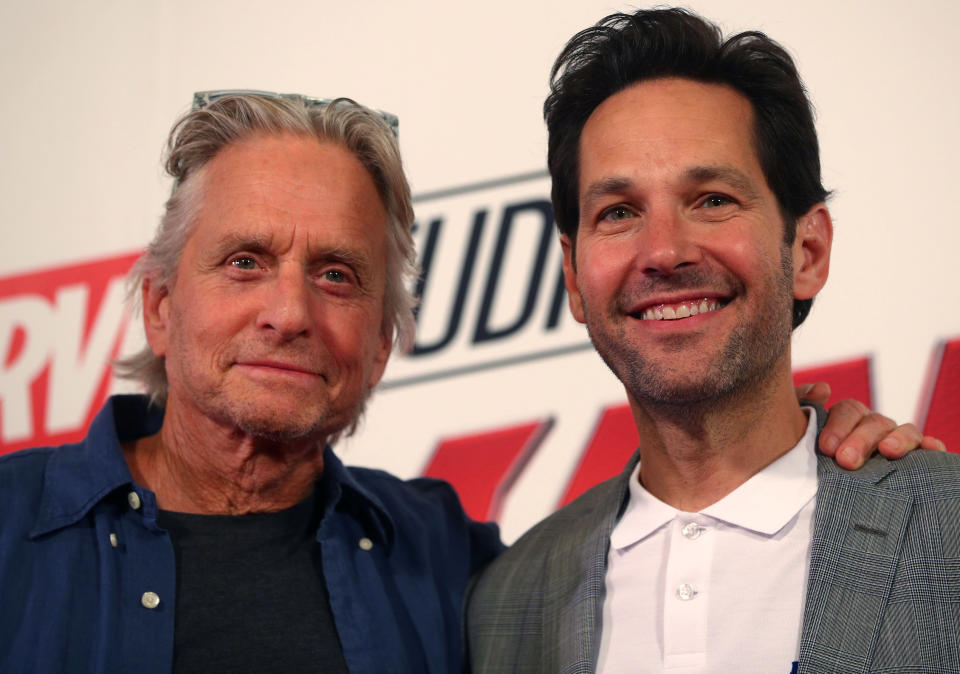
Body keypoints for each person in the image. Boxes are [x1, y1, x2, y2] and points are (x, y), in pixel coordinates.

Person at [0, 90, 933, 674]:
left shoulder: (457, 565)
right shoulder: (11, 535)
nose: (289, 311)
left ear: (382, 341)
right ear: (159, 307)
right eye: (245, 261)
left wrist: (810, 440)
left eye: (337, 274)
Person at [465, 8, 959, 673]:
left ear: (807, 249)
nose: (664, 252)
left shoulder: (946, 525)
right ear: (574, 278)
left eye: (713, 199)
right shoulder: (505, 601)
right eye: (618, 213)